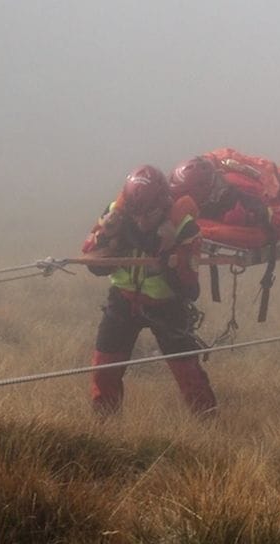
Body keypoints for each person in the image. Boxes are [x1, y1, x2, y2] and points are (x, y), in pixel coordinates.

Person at [81, 165, 217, 417]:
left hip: (167, 306)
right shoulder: (114, 216)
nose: (142, 221)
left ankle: (210, 426)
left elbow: (190, 290)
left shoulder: (184, 227)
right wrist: (110, 242)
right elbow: (93, 265)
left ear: (164, 204)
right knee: (104, 370)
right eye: (136, 215)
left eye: (150, 214)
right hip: (122, 301)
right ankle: (105, 430)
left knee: (188, 373)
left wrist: (170, 262)